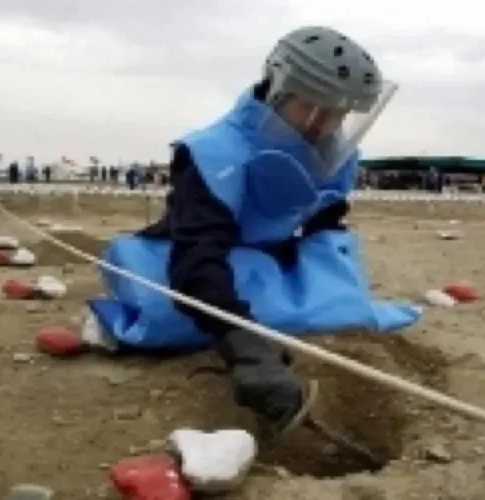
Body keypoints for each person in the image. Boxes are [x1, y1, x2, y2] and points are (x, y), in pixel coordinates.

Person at [84, 26, 421, 438]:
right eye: (314, 110)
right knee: (166, 313)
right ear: (279, 88)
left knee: (344, 306)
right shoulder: (213, 152)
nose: (327, 126)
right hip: (205, 255)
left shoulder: (331, 151)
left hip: (269, 258)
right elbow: (197, 256)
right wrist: (245, 352)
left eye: (339, 115)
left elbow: (324, 225)